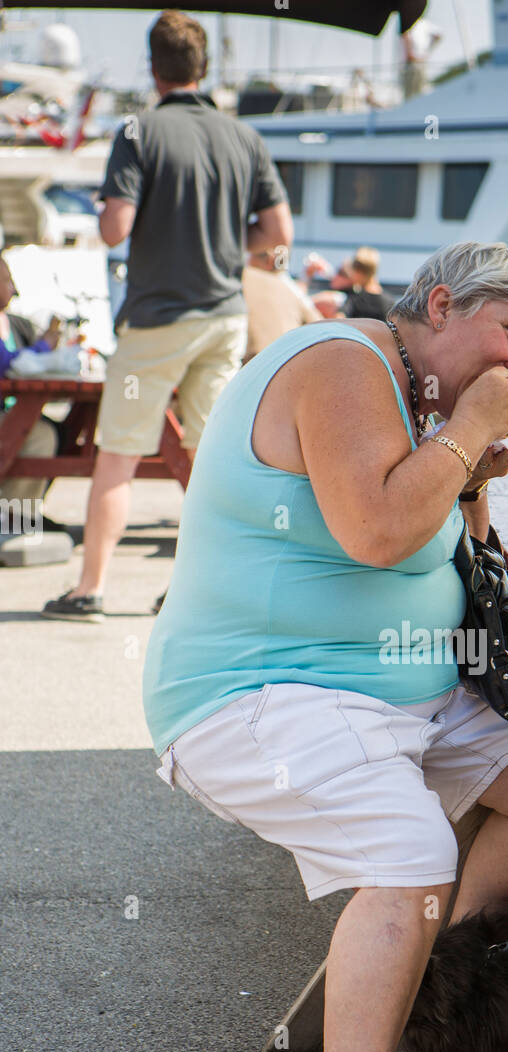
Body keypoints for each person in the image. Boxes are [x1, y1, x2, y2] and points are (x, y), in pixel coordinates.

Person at [141, 240, 508, 1052]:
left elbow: (454, 543)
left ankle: (447, 999)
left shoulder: (421, 401)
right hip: (258, 693)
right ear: (439, 306)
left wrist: (470, 462)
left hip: (389, 695)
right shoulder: (341, 364)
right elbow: (377, 533)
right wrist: (471, 424)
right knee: (409, 856)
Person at [42, 9, 292, 622]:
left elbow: (114, 227)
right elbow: (279, 234)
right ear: (202, 67)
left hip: (157, 318)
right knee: (211, 462)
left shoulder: (137, 131)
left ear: (153, 68)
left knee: (119, 456)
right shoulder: (244, 136)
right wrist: (229, 246)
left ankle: (90, 589)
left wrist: (111, 213)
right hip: (224, 317)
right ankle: (199, 592)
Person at [0, 255, 63, 523]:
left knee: (58, 430)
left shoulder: (15, 323)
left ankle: (21, 513)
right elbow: (7, 364)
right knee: (40, 434)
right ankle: (16, 518)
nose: (13, 288)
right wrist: (45, 346)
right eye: (6, 281)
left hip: (10, 409)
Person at [241, 249, 322, 362]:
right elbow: (318, 325)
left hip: (249, 363)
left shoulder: (240, 278)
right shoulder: (290, 288)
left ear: (270, 260)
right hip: (286, 363)